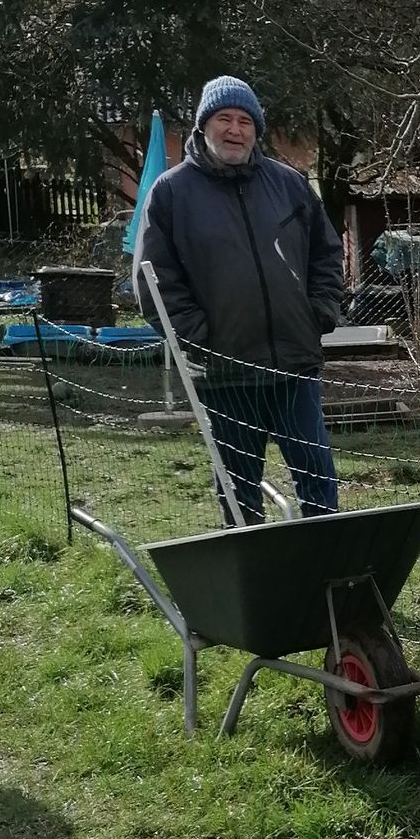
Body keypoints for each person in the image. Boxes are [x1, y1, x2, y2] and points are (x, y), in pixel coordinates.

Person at [135, 74, 343, 525]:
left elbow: (327, 253)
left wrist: (320, 311)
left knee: (319, 480)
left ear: (256, 129)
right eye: (224, 119)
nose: (235, 130)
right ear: (203, 126)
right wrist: (198, 336)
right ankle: (252, 567)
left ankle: (325, 562)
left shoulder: (289, 185)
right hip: (223, 373)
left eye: (245, 121)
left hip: (293, 365)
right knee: (238, 492)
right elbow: (154, 280)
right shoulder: (171, 193)